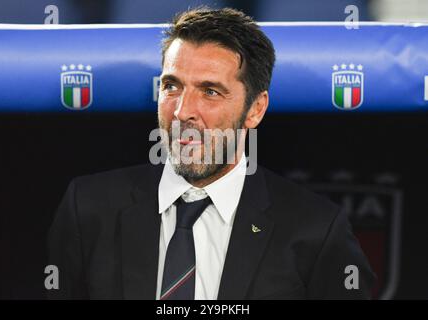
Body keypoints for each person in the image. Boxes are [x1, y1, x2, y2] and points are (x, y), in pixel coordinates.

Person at [48, 7, 375, 300]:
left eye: (210, 91)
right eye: (171, 86)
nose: (182, 112)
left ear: (255, 109)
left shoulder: (316, 229)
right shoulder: (87, 208)